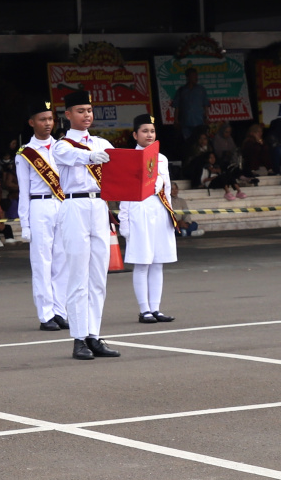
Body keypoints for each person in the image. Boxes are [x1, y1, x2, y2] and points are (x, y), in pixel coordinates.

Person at [51, 90, 121, 361]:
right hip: (75, 206)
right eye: (80, 111)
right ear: (68, 115)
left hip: (99, 206)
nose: (86, 115)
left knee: (97, 277)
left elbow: (120, 171)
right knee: (78, 275)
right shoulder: (62, 145)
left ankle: (94, 334)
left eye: (89, 111)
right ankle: (78, 338)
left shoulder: (102, 142)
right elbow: (72, 158)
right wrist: (93, 157)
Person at [119, 114, 178, 325]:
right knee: (142, 263)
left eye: (152, 131)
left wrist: (171, 215)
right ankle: (144, 310)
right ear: (135, 135)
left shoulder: (161, 159)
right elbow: (125, 193)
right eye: (144, 131)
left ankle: (156, 308)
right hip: (138, 211)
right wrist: (124, 221)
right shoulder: (129, 157)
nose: (149, 135)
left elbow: (168, 190)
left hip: (159, 211)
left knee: (157, 263)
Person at [15, 101, 69, 331]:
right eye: (42, 119)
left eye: (50, 119)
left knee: (62, 261)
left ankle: (60, 310)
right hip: (39, 207)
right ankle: (45, 313)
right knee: (41, 262)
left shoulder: (63, 148)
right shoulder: (25, 154)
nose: (48, 123)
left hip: (62, 205)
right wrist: (24, 223)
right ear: (31, 122)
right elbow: (23, 191)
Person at [172, 67, 209, 141]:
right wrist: (176, 120)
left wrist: (206, 117)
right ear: (188, 77)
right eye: (193, 76)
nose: (196, 78)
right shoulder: (181, 90)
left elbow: (205, 105)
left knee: (199, 140)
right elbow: (177, 106)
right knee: (188, 141)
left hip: (199, 121)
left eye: (196, 76)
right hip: (185, 122)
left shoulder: (201, 90)